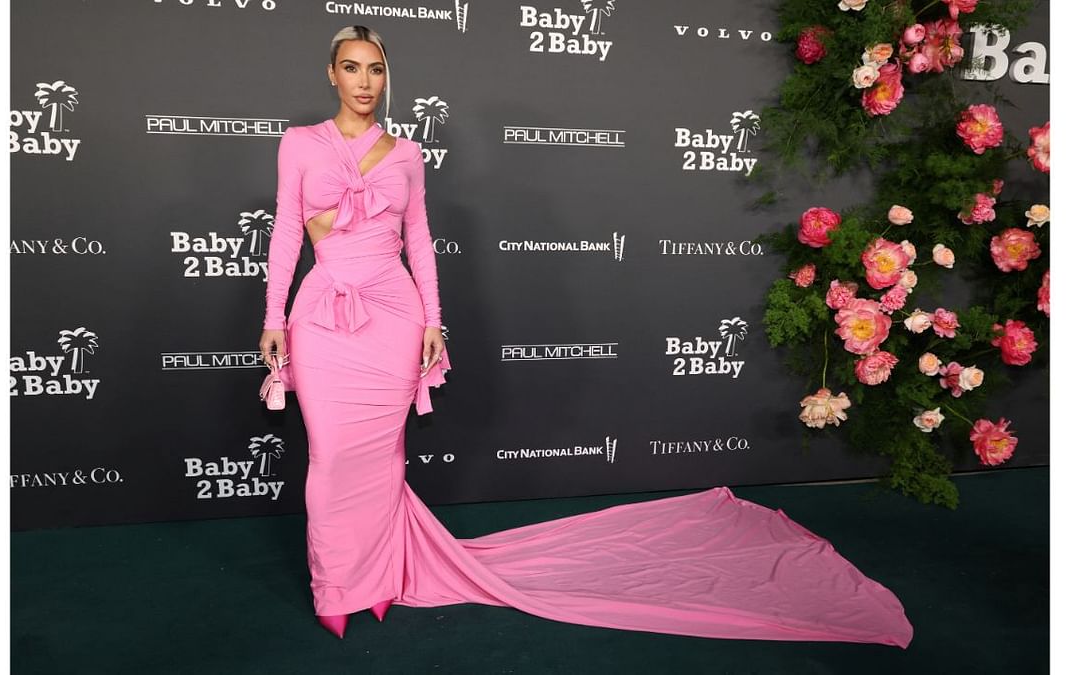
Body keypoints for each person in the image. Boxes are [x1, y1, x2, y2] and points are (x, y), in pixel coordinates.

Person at [260, 25, 914, 647]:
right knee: (331, 456)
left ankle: (374, 577)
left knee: (382, 457)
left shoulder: (407, 152)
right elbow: (288, 232)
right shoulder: (300, 143)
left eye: (376, 70)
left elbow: (421, 243)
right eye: (352, 68)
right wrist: (272, 319)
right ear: (332, 74)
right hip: (323, 314)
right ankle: (335, 583)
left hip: (395, 315)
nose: (365, 81)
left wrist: (433, 319)